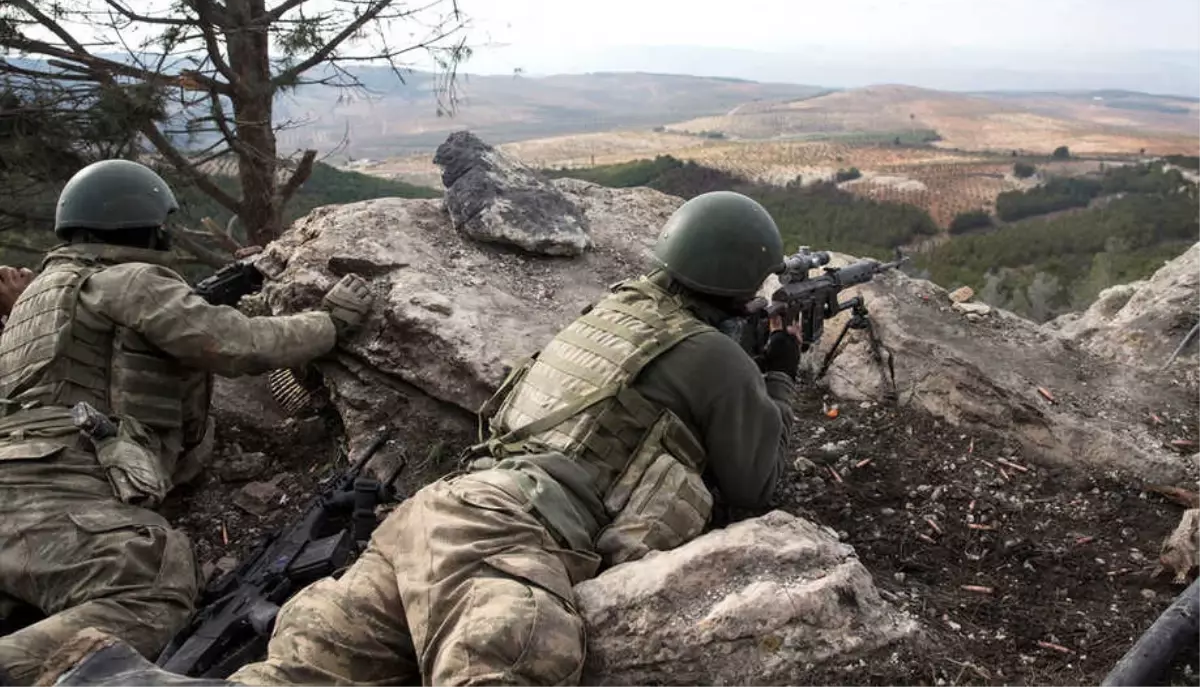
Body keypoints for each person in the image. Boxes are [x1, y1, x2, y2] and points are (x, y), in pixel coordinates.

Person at [222, 189, 800, 687]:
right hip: (503, 534)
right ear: (743, 280)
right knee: (518, 659)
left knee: (300, 670)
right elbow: (757, 484)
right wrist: (778, 373)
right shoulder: (715, 355)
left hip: (435, 513)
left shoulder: (614, 309)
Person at [0, 159, 377, 687]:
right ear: (147, 225)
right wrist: (329, 323)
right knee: (151, 587)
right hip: (62, 487)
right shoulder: (128, 280)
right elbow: (237, 344)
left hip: (17, 488)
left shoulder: (37, 300)